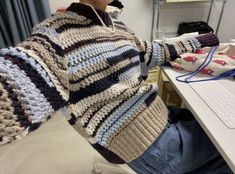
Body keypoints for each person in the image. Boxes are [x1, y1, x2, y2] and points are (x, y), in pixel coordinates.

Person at [0, 0, 232, 173]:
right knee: (227, 148)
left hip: (160, 118)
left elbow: (152, 52)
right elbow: (14, 84)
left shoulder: (117, 27)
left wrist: (199, 40)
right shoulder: (56, 35)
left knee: (213, 123)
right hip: (148, 147)